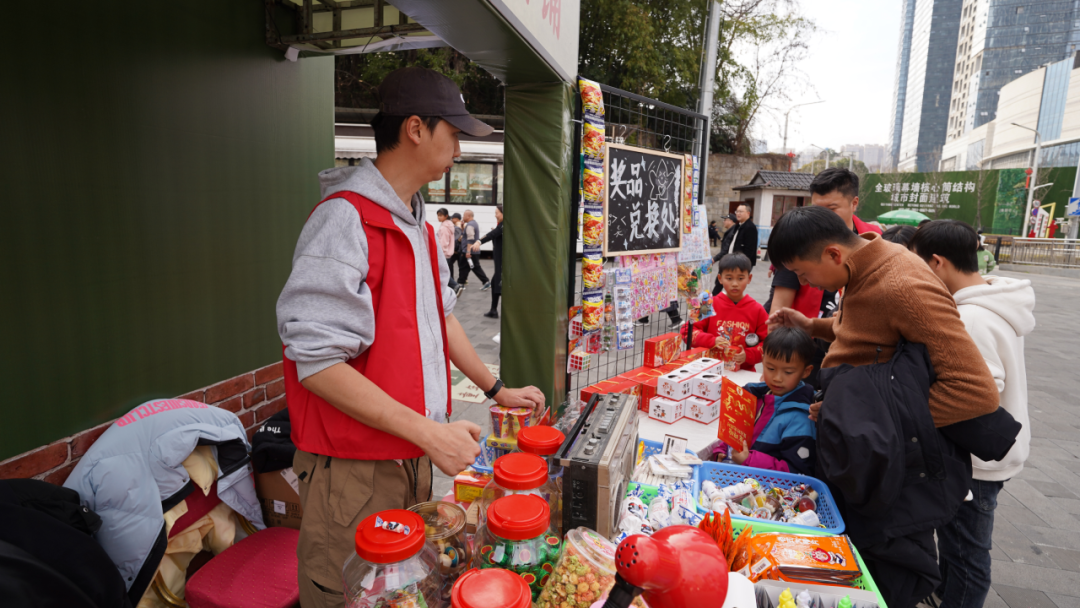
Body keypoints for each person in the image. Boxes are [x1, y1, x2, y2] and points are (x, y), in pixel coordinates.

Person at [275, 66, 545, 608]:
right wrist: (429, 432)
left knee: (404, 593)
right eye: (455, 134)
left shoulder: (416, 225)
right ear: (416, 129)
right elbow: (318, 363)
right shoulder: (345, 220)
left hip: (410, 455)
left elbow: (441, 319)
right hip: (354, 469)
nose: (460, 150)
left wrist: (497, 392)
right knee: (349, 593)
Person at [766, 206, 1000, 608]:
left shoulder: (903, 284)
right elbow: (859, 329)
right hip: (863, 456)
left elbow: (975, 390)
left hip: (893, 479)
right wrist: (812, 325)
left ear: (834, 255)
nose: (803, 282)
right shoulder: (862, 268)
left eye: (804, 274)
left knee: (885, 583)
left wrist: (862, 422)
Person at [908, 220, 1034, 608]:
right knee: (959, 544)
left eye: (917, 267)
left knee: (966, 553)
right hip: (992, 449)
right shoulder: (995, 301)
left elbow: (980, 391)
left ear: (937, 263)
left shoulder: (973, 318)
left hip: (976, 459)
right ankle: (946, 593)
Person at [763, 168, 883, 388]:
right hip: (806, 349)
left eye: (831, 208)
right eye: (817, 209)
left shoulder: (876, 244)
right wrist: (776, 364)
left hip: (858, 354)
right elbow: (779, 308)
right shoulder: (798, 241)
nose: (822, 218)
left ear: (854, 203)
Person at [717, 327, 818, 476]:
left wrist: (749, 460)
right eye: (770, 368)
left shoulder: (801, 417)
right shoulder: (751, 395)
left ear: (806, 371)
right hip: (739, 476)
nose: (777, 378)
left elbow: (797, 472)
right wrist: (722, 450)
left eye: (788, 372)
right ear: (763, 360)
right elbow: (732, 433)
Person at [683, 253, 768, 372]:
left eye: (740, 278)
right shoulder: (708, 303)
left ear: (749, 278)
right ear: (720, 279)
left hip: (743, 373)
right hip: (709, 370)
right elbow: (687, 332)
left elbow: (768, 344)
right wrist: (712, 341)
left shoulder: (757, 310)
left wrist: (748, 355)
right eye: (729, 278)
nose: (734, 283)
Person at [712, 209, 756, 296]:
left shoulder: (734, 231)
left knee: (721, 284)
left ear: (731, 221)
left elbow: (726, 250)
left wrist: (714, 259)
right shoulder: (732, 230)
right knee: (720, 283)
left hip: (733, 262)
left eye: (725, 220)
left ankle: (714, 300)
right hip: (731, 261)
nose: (724, 222)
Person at [471, 204, 504, 319]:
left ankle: (499, 311)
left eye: (497, 213)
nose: (495, 215)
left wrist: (479, 242)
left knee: (500, 284)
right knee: (496, 283)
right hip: (499, 264)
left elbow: (492, 235)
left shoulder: (505, 225)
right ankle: (493, 310)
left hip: (504, 264)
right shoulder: (501, 226)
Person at [459, 210, 491, 290]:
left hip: (470, 251)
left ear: (468, 216)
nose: (462, 217)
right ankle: (461, 283)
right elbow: (466, 236)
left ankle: (461, 284)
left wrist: (468, 251)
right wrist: (463, 227)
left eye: (464, 215)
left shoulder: (470, 225)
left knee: (465, 267)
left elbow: (470, 239)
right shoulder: (473, 223)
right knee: (470, 267)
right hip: (473, 251)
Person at [436, 208, 463, 296]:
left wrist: (439, 253)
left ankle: (455, 286)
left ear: (446, 216)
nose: (438, 217)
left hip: (443, 253)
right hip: (448, 253)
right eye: (438, 215)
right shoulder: (450, 225)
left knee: (442, 273)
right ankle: (452, 289)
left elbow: (443, 242)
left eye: (440, 215)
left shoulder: (444, 227)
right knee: (444, 272)